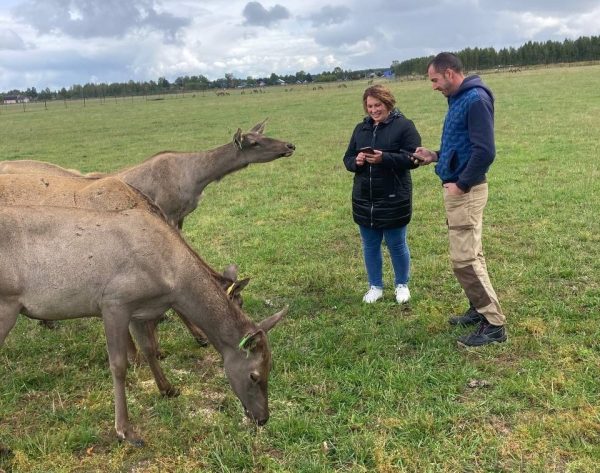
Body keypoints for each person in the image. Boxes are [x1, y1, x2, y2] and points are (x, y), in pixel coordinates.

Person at [412, 52, 507, 347]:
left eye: (435, 80)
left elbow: (485, 151)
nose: (433, 86)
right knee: (470, 255)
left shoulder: (475, 99)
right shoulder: (459, 99)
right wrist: (436, 156)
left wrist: (462, 184)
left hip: (465, 191)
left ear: (450, 73)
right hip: (458, 187)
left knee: (464, 260)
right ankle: (479, 308)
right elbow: (463, 146)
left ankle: (494, 325)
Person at [343, 84, 421, 304]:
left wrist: (384, 158)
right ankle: (375, 286)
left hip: (394, 197)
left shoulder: (405, 126)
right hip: (364, 198)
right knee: (369, 244)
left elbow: (413, 159)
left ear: (388, 103)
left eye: (378, 105)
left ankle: (401, 285)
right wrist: (356, 161)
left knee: (396, 243)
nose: (374, 110)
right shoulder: (361, 129)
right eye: (369, 106)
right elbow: (347, 158)